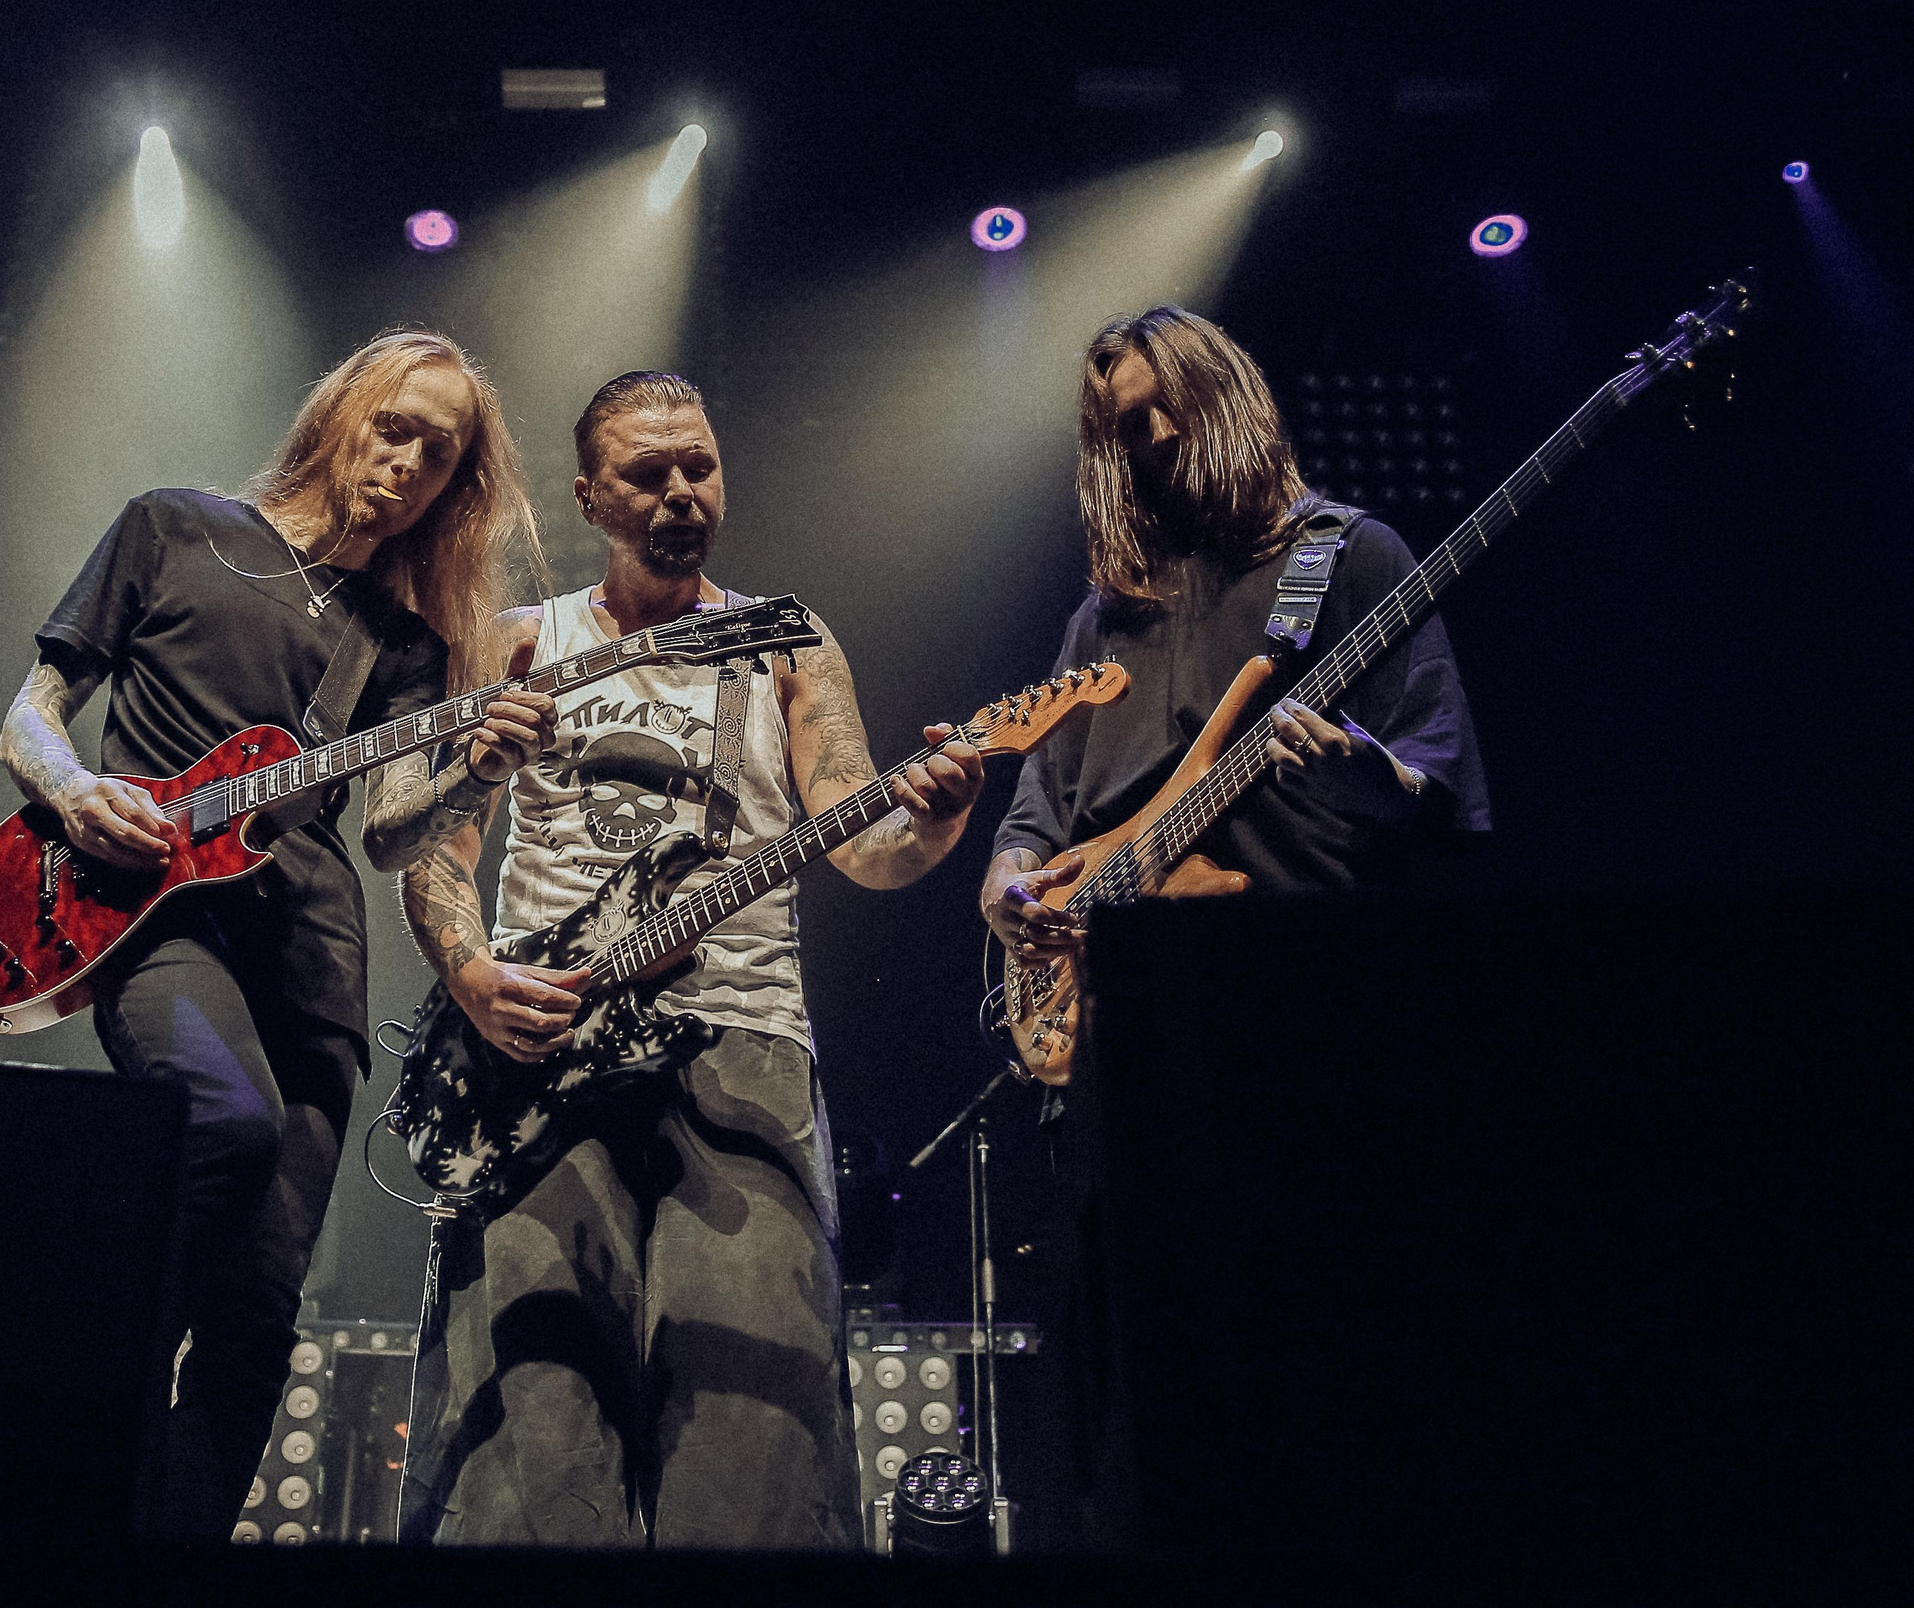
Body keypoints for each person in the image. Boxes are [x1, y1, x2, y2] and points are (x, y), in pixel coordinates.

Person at [396, 370, 987, 1550]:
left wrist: (936, 816)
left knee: (753, 1434)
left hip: (742, 1039)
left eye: (699, 467)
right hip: (540, 1054)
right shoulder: (518, 642)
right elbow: (432, 847)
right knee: (530, 1430)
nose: (680, 493)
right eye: (647, 474)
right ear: (589, 497)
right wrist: (470, 978)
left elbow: (860, 844)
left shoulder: (785, 640)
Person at [0, 329, 555, 1544]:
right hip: (151, 918)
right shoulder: (174, 528)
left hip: (312, 969)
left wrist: (475, 773)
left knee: (259, 1317)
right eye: (395, 428)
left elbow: (397, 834)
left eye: (439, 453)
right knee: (225, 1122)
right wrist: (70, 791)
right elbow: (31, 716)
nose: (408, 463)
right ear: (342, 414)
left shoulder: (402, 643)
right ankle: (62, 1408)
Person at [980, 305, 1490, 1548]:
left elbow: (1438, 778)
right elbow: (1040, 809)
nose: (1150, 437)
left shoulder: (1348, 559)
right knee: (1128, 1400)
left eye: (1167, 407)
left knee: (1312, 1386)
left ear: (1229, 396)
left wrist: (1370, 768)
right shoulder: (1108, 610)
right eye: (1122, 426)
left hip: (1295, 1027)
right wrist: (1009, 880)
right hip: (1110, 1044)